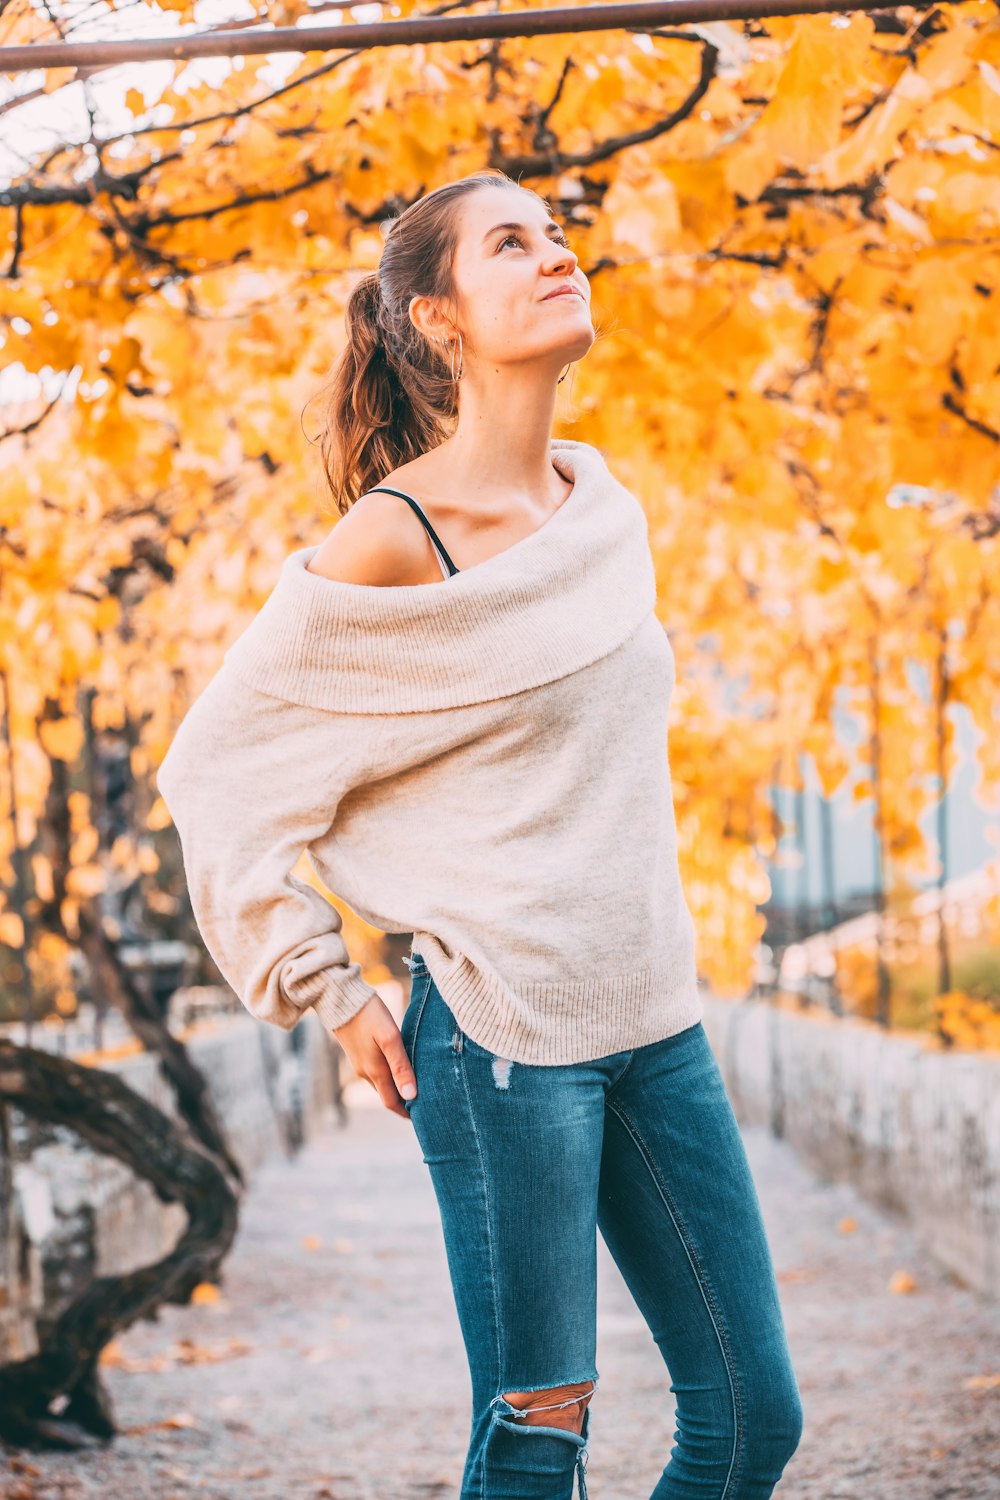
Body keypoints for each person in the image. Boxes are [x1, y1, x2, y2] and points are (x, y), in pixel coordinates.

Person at [155, 169, 804, 1500]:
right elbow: (218, 772)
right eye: (513, 243)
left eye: (557, 234)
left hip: (653, 1021)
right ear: (442, 320)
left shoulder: (601, 505)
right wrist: (327, 993)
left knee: (752, 1423)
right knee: (536, 1444)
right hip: (504, 1049)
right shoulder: (392, 541)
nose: (558, 255)